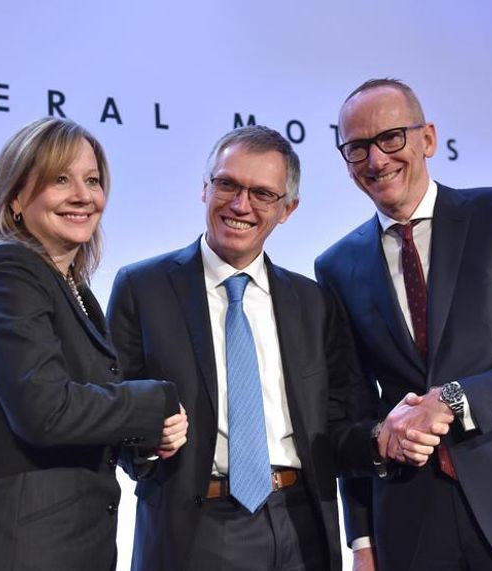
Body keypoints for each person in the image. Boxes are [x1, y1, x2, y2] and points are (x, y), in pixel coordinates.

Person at [315, 78, 492, 570]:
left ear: (427, 138)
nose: (377, 160)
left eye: (391, 138)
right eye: (357, 147)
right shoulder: (337, 266)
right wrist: (361, 540)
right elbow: (353, 408)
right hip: (411, 522)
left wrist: (454, 400)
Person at [108, 125, 374, 570]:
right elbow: (114, 407)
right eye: (227, 184)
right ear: (204, 188)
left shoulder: (314, 302)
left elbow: (341, 418)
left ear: (288, 209)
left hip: (302, 521)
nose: (240, 205)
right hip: (197, 525)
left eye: (262, 194)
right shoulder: (143, 287)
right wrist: (149, 445)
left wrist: (384, 444)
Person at [0, 117, 188, 570]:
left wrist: (146, 441)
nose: (83, 196)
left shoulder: (74, 289)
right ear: (16, 198)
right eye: (59, 180)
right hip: (20, 549)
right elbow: (45, 412)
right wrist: (157, 401)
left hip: (67, 546)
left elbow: (84, 413)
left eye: (92, 180)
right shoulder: (8, 271)